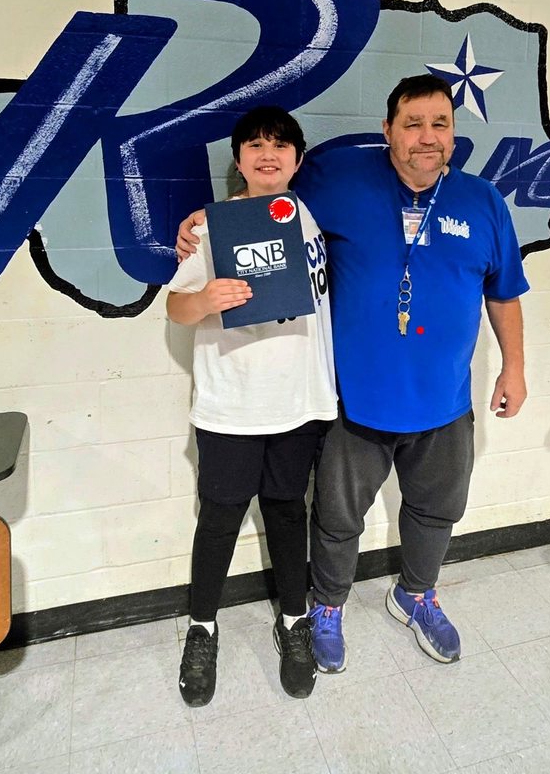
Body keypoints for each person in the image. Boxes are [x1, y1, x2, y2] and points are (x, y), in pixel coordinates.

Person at [176, 74, 528, 675]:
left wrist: (515, 367)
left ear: (453, 132)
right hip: (354, 401)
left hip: (446, 400)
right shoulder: (335, 181)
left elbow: (504, 293)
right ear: (387, 130)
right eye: (412, 123)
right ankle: (328, 606)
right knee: (337, 518)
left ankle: (415, 594)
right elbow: (265, 190)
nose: (426, 136)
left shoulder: (484, 201)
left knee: (437, 509)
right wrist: (200, 222)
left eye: (439, 123)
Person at [166, 105, 336, 707]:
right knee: (219, 521)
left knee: (290, 514)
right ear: (238, 159)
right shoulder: (212, 228)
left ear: (296, 157)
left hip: (300, 402)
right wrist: (205, 298)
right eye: (256, 145)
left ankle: (294, 621)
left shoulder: (313, 215)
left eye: (281, 144)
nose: (269, 154)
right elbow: (176, 308)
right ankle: (201, 628)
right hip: (231, 406)